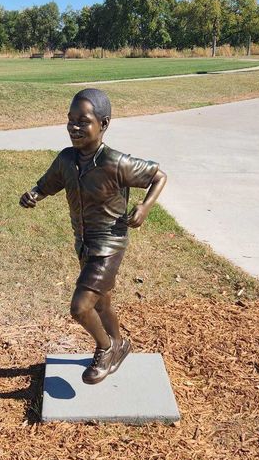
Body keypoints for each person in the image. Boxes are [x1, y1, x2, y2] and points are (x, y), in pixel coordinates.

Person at [19, 88, 168, 384]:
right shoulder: (66, 159)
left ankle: (105, 346)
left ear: (104, 124)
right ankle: (121, 345)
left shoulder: (116, 162)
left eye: (83, 121)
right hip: (84, 245)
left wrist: (144, 207)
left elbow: (159, 176)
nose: (74, 127)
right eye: (70, 120)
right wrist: (34, 194)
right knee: (102, 304)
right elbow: (49, 183)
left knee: (81, 307)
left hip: (109, 245)